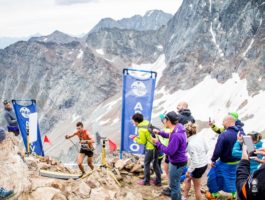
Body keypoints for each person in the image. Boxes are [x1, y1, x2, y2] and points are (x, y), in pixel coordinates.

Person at [152, 111, 188, 200]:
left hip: (177, 163)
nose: (163, 121)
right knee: (176, 184)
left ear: (168, 120)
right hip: (179, 161)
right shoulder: (178, 127)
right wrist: (159, 133)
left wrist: (157, 143)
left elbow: (169, 152)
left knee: (173, 185)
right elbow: (169, 135)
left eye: (164, 119)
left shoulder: (176, 134)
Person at [206, 116, 240, 200]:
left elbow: (218, 150)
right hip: (237, 163)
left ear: (228, 121)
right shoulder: (241, 133)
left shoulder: (224, 134)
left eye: (223, 121)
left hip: (225, 162)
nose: (222, 123)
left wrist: (213, 160)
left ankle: (214, 195)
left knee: (213, 176)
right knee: (233, 178)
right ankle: (233, 196)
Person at [130, 113, 161, 186]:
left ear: (137, 122)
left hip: (150, 148)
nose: (132, 122)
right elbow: (147, 135)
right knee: (155, 164)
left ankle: (146, 181)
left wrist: (134, 138)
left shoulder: (141, 129)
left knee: (146, 164)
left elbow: (143, 141)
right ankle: (158, 181)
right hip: (156, 146)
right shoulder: (146, 123)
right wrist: (137, 137)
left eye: (133, 121)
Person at [183, 123, 209, 200]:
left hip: (198, 167)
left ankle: (186, 197)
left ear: (187, 133)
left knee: (197, 188)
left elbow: (195, 162)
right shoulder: (200, 137)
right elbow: (207, 149)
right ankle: (184, 197)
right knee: (187, 179)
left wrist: (188, 171)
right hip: (204, 163)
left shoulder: (191, 144)